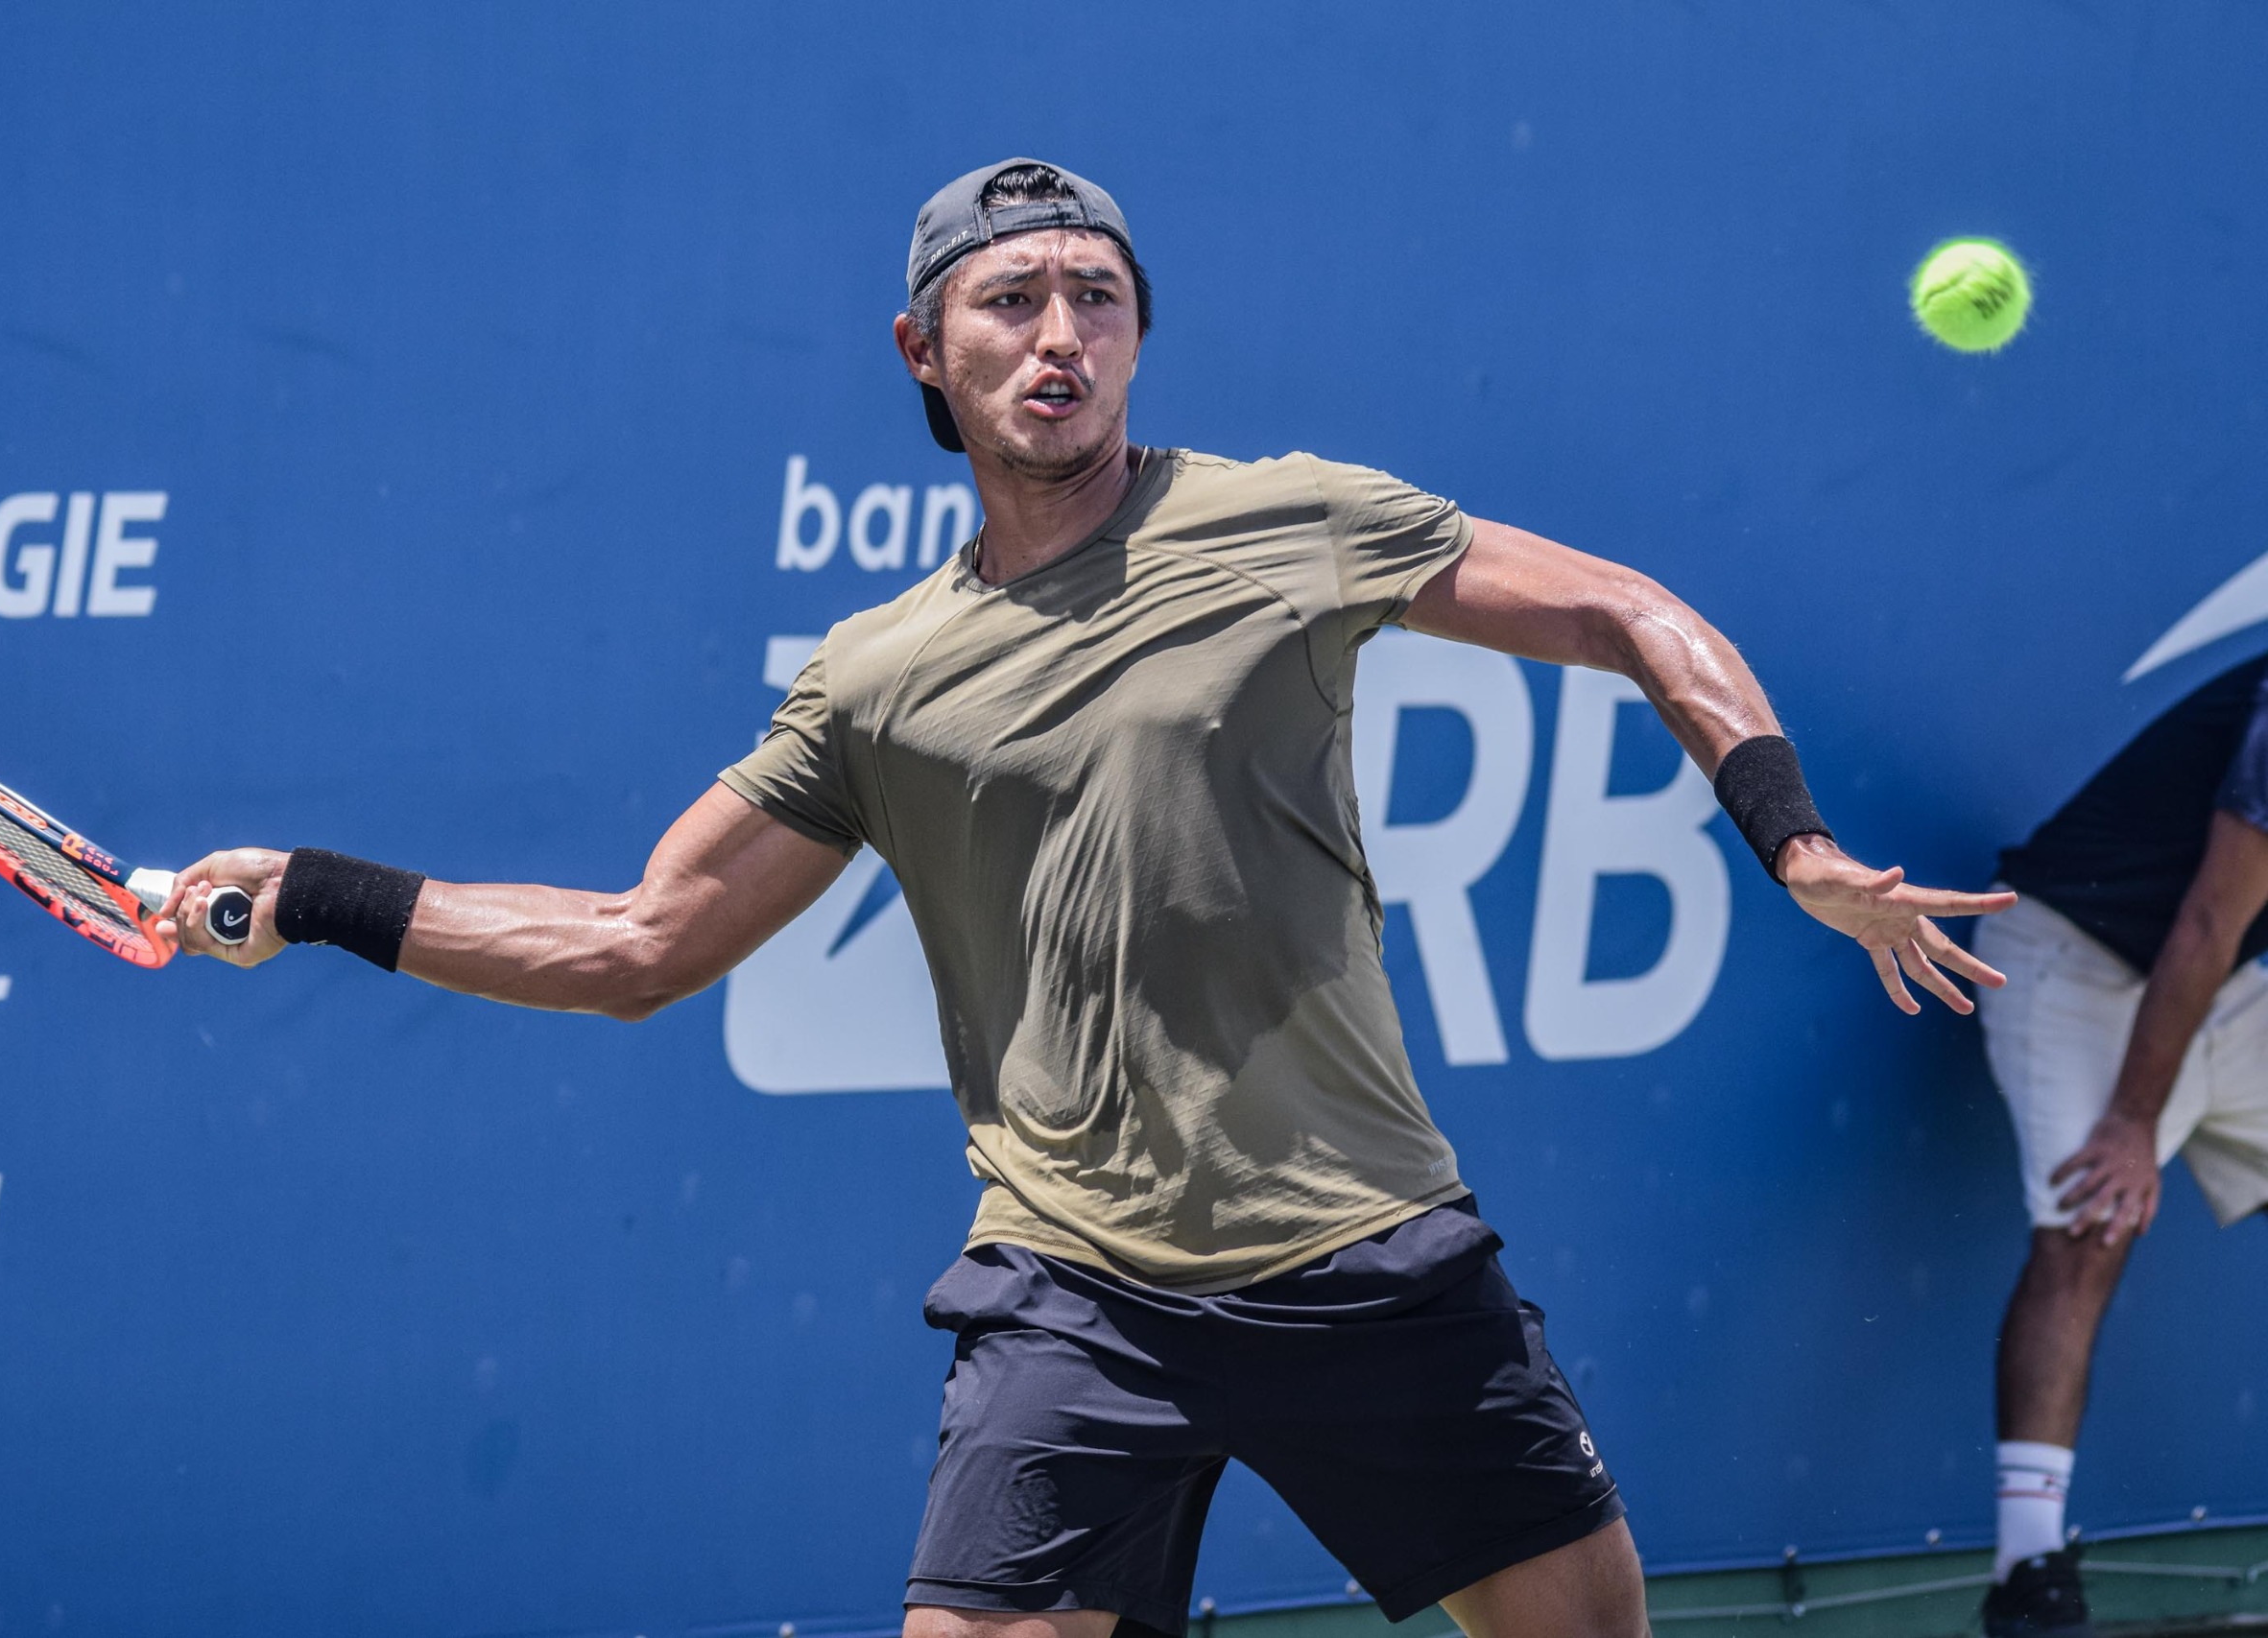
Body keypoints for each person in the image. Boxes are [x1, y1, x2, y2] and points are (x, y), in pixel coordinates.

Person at [162, 158, 2010, 1638]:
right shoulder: (879, 678)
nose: (1063, 337)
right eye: (1013, 302)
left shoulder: (1294, 518)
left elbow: (1621, 608)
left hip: (1370, 1254)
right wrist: (319, 893)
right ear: (923, 349)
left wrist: (1794, 841)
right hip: (1080, 1296)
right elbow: (637, 946)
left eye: (1098, 299)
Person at [1974, 653, 2268, 1638]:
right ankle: (2029, 1571)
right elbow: (2208, 917)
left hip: (2222, 978)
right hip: (2072, 955)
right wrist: (2132, 1124)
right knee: (2087, 1229)